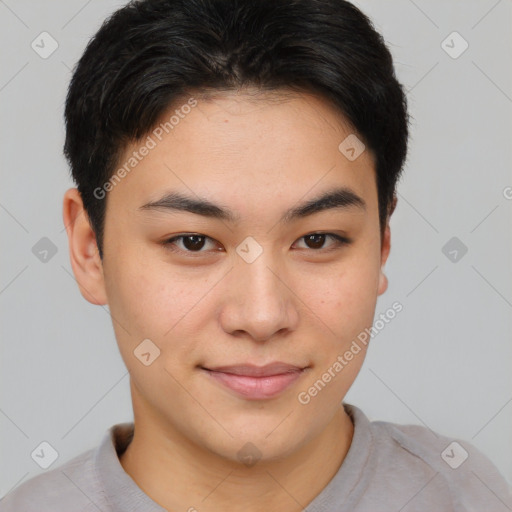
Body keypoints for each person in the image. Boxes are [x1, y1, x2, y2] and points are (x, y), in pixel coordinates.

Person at [1, 0, 510, 510]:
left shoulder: (469, 495)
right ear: (90, 251)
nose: (263, 316)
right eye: (193, 241)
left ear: (382, 243)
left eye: (317, 239)